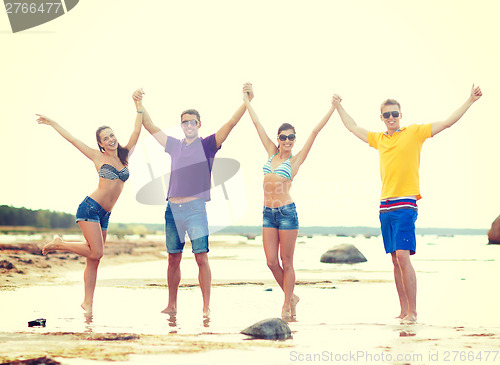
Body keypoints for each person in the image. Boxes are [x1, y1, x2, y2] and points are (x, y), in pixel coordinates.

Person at [335, 85, 483, 323]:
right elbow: (353, 127)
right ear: (381, 118)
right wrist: (338, 106)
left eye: (395, 113)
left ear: (401, 115)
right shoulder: (378, 139)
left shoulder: (414, 133)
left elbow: (446, 123)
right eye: (387, 114)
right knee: (394, 258)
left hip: (406, 203)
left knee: (404, 255)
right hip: (385, 205)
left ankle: (413, 312)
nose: (391, 118)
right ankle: (403, 311)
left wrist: (469, 100)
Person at [132, 87, 253, 318]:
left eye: (192, 122)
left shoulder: (208, 145)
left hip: (195, 209)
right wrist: (138, 104)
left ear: (199, 124)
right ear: (181, 125)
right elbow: (150, 126)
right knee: (173, 259)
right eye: (185, 122)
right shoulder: (174, 145)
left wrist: (246, 101)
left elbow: (231, 123)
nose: (188, 125)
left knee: (201, 258)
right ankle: (172, 304)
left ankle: (206, 306)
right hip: (172, 210)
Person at [36, 89, 145, 314]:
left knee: (94, 260)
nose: (111, 139)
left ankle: (88, 303)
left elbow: (137, 130)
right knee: (96, 252)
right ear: (101, 144)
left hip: (105, 214)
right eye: (105, 138)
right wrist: (53, 122)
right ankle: (59, 244)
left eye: (112, 135)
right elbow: (72, 139)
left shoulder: (125, 156)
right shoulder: (98, 157)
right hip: (90, 208)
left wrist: (138, 104)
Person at [243, 83, 341, 319]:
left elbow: (315, 132)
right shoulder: (270, 152)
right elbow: (257, 124)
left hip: (287, 213)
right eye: (284, 137)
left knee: (287, 262)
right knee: (270, 261)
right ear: (278, 138)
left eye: (292, 137)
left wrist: (333, 108)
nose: (288, 140)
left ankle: (287, 304)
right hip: (268, 213)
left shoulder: (295, 161)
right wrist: (247, 100)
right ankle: (292, 295)